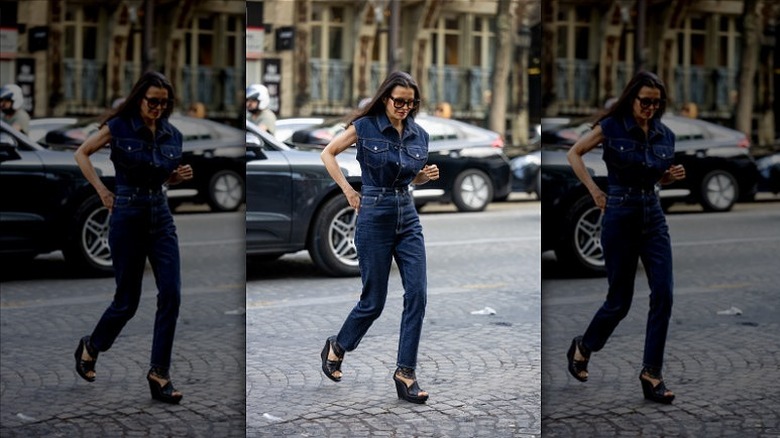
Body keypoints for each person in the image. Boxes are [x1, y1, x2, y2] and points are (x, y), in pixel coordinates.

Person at [565, 71, 686, 404]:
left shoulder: (665, 134)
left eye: (655, 103)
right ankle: (583, 346)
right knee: (619, 301)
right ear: (632, 98)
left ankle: (652, 374)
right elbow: (574, 153)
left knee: (664, 293)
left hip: (653, 214)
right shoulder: (612, 126)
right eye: (644, 101)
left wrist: (669, 177)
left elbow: (655, 176)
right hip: (619, 212)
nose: (649, 108)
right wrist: (594, 192)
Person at [319, 71, 440, 404]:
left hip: (407, 214)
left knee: (417, 293)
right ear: (386, 98)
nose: (403, 107)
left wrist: (423, 177)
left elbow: (408, 176)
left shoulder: (420, 134)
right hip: (374, 212)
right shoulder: (365, 127)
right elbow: (327, 153)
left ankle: (405, 373)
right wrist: (347, 191)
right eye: (397, 101)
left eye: (409, 102)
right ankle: (338, 345)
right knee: (373, 301)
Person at [73, 71, 193, 404]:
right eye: (152, 101)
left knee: (172, 294)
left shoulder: (172, 134)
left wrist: (175, 178)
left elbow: (160, 176)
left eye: (163, 103)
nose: (157, 108)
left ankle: (159, 373)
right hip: (127, 211)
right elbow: (81, 153)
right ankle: (91, 346)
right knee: (127, 301)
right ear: (140, 98)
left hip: (160, 213)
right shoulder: (119, 126)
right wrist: (101, 191)